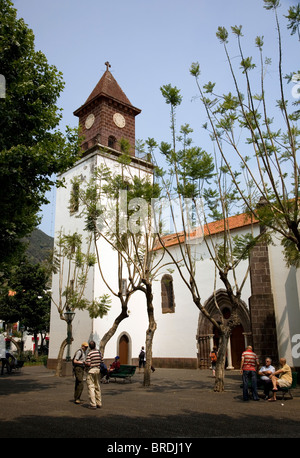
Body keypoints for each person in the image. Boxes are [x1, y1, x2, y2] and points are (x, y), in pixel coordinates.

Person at [85, 341, 102, 409]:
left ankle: (93, 404)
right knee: (97, 386)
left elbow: (88, 363)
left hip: (91, 371)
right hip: (98, 370)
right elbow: (102, 361)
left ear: (89, 346)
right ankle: (99, 403)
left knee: (91, 387)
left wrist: (85, 363)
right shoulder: (99, 352)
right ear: (95, 346)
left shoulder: (90, 353)